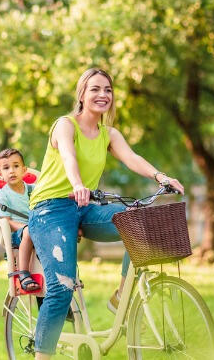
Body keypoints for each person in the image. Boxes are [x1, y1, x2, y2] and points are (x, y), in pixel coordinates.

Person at [27, 68, 184, 359]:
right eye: (95, 89)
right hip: (50, 210)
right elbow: (68, 156)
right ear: (82, 95)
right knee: (62, 289)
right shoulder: (65, 125)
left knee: (136, 221)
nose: (102, 95)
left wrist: (162, 177)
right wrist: (76, 184)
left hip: (84, 207)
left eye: (108, 90)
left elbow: (132, 158)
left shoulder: (108, 134)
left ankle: (120, 293)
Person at [0, 148, 40, 292]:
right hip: (17, 234)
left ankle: (60, 283)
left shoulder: (33, 190)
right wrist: (27, 227)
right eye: (6, 168)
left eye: (16, 166)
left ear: (24, 170)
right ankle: (24, 274)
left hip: (37, 229)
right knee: (29, 230)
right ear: (0, 174)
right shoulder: (4, 195)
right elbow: (6, 221)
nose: (12, 171)